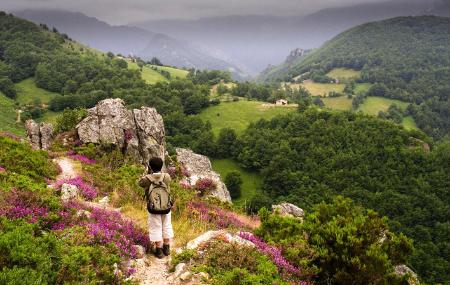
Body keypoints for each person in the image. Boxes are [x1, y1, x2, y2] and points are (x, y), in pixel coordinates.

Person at [138, 157, 174, 258]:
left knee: (156, 226)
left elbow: (140, 184)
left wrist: (147, 173)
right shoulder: (167, 176)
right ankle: (167, 248)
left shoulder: (147, 179)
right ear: (162, 166)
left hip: (153, 207)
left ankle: (159, 250)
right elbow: (168, 183)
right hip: (166, 206)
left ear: (150, 166)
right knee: (167, 225)